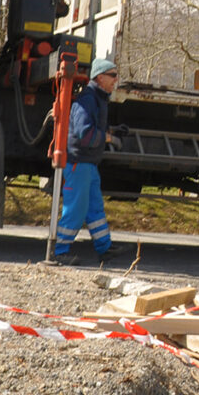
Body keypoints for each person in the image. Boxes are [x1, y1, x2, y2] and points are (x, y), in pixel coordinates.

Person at [53, 57, 130, 265]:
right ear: (100, 77)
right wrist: (108, 138)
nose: (116, 80)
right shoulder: (88, 99)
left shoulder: (97, 98)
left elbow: (90, 128)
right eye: (113, 75)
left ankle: (104, 247)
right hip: (79, 163)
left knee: (95, 208)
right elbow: (84, 134)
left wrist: (112, 131)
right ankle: (59, 251)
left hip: (88, 163)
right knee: (76, 209)